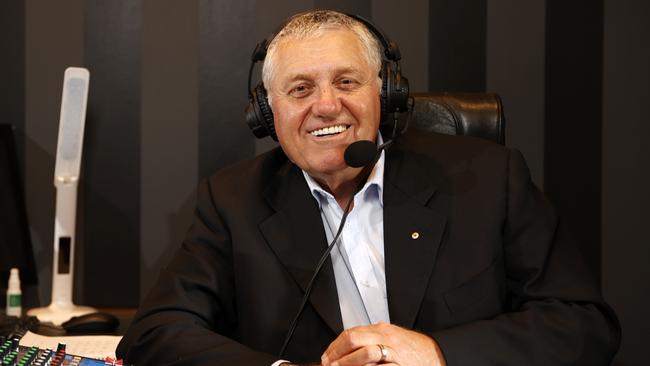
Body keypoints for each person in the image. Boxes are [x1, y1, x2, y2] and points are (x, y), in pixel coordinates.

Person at [116, 10, 620, 365]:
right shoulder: (231, 201)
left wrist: (440, 354)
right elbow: (155, 334)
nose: (327, 105)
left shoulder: (489, 179)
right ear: (268, 113)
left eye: (347, 82)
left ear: (387, 94)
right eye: (300, 89)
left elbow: (582, 325)